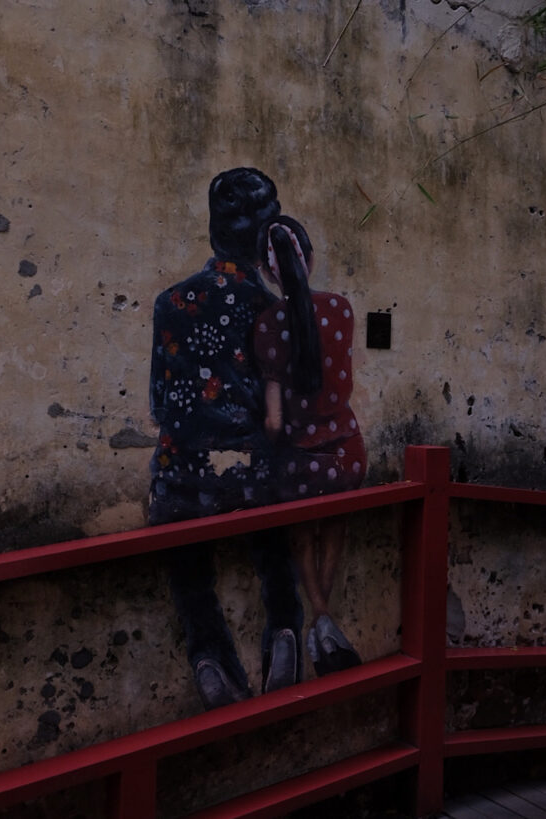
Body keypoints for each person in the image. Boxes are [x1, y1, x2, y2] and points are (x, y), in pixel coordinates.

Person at [148, 168, 303, 709]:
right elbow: (281, 405)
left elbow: (158, 406)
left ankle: (211, 656)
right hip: (248, 468)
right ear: (267, 235)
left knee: (188, 567)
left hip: (182, 471)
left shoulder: (170, 302)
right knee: (274, 544)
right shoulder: (269, 308)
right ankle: (284, 630)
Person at [252, 215, 367, 676]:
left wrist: (273, 441)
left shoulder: (265, 326)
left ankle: (320, 616)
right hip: (347, 452)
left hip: (300, 460)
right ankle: (327, 626)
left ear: (265, 270)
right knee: (335, 529)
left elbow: (275, 420)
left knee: (302, 539)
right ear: (311, 259)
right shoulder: (341, 309)